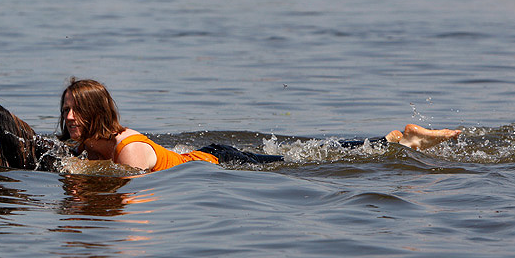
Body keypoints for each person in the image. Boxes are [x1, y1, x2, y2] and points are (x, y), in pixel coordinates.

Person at [57, 78, 462, 172]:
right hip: (201, 155)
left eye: (77, 110)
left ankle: (392, 139)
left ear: (98, 112)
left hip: (219, 160)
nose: (69, 117)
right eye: (67, 110)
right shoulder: (88, 142)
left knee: (298, 161)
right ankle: (399, 138)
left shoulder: (130, 151)